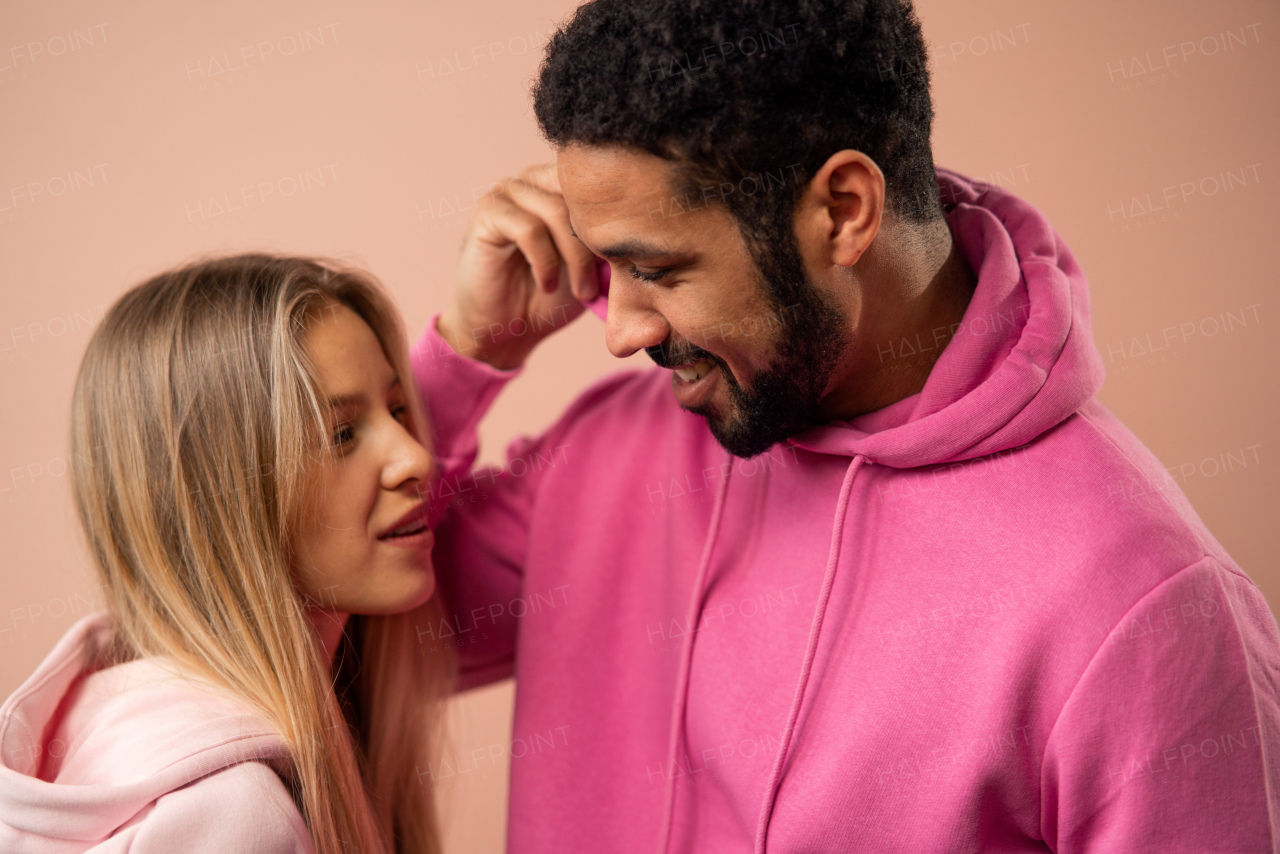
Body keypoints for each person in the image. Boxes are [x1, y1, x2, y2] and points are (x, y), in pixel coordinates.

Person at [416, 0, 1280, 851]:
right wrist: (461, 360)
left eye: (658, 269)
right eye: (609, 264)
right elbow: (336, 642)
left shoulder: (1143, 604)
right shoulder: (617, 446)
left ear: (843, 210)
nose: (621, 329)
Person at [0, 255, 454, 853]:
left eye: (398, 410)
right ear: (215, 494)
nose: (417, 458)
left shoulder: (107, 714)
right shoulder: (234, 815)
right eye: (342, 434)